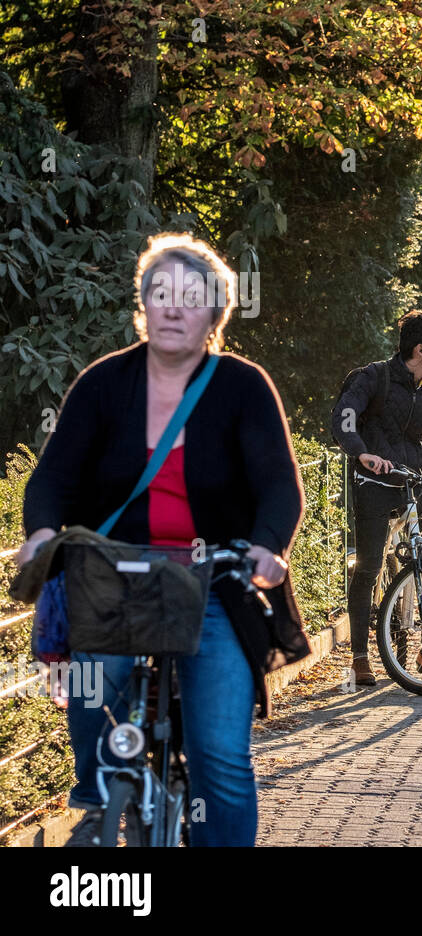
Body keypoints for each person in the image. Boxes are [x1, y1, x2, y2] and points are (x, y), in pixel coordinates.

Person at [16, 231, 307, 846]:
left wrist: (266, 546)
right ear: (143, 305)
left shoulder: (242, 386)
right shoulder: (103, 385)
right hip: (116, 581)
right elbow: (54, 476)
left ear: (214, 313)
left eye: (191, 295)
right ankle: (98, 799)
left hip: (214, 582)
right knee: (93, 689)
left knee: (220, 759)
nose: (173, 307)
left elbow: (279, 485)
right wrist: (42, 535)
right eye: (160, 293)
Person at [331, 311, 422, 686]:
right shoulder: (374, 377)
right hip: (374, 482)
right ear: (420, 349)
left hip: (412, 480)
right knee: (369, 565)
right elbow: (343, 416)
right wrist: (361, 452)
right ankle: (359, 657)